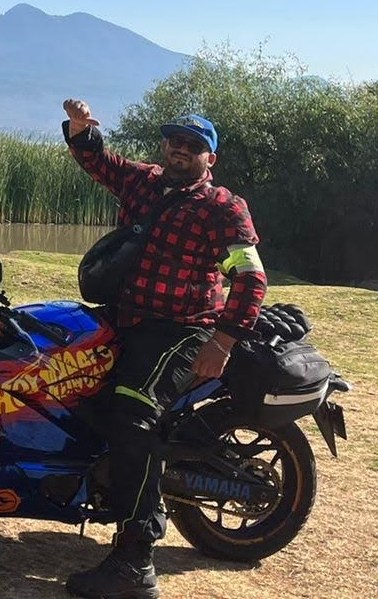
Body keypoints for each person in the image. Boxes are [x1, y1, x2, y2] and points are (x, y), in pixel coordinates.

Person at [62, 99, 267, 599]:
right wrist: (82, 131)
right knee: (69, 380)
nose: (182, 150)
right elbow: (100, 163)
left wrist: (223, 339)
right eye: (176, 141)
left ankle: (136, 559)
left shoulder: (222, 207)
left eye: (194, 146)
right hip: (126, 319)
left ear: (209, 159)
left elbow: (251, 276)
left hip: (181, 330)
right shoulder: (145, 182)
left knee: (134, 414)